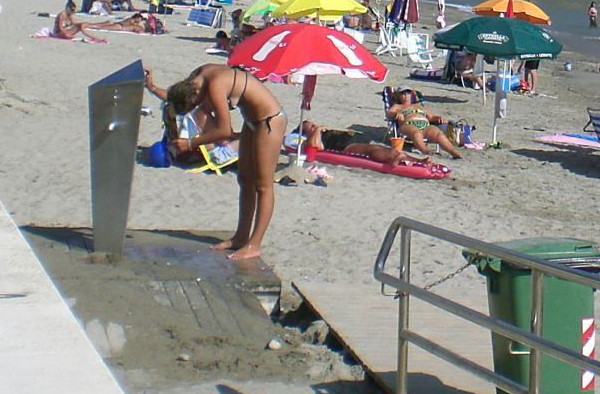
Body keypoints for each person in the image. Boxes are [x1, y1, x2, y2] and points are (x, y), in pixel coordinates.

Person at [146, 62, 285, 260]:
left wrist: (190, 143)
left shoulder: (214, 84)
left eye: (195, 105)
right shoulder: (196, 78)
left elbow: (224, 131)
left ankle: (254, 245)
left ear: (194, 96)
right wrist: (151, 87)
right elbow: (175, 98)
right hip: (251, 122)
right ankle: (240, 237)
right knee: (245, 181)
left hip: (270, 121)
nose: (200, 107)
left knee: (263, 186)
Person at [301, 121, 429, 168]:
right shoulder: (312, 138)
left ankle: (418, 161)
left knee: (384, 148)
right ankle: (391, 159)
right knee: (372, 149)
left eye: (313, 124)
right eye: (311, 127)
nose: (315, 126)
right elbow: (316, 147)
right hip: (345, 146)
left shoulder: (324, 131)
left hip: (355, 139)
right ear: (306, 132)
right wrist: (317, 130)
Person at [387, 91, 465, 160]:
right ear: (398, 96)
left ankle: (453, 152)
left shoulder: (419, 106)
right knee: (416, 133)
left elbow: (431, 117)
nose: (406, 95)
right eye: (403, 93)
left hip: (425, 125)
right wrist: (396, 114)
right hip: (408, 125)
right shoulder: (397, 106)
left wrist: (438, 118)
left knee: (438, 133)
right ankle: (426, 150)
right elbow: (389, 113)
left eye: (408, 93)